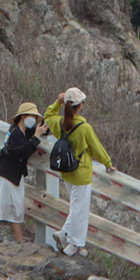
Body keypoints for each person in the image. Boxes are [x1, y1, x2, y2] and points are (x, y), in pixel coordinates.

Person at [43, 86, 113, 257]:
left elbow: (47, 116)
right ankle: (75, 245)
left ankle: (64, 233)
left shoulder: (59, 123)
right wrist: (108, 163)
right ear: (80, 106)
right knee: (80, 209)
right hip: (81, 173)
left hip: (66, 171)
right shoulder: (84, 127)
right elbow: (97, 148)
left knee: (76, 206)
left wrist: (57, 102)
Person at [0, 103, 47, 243]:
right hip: (8, 178)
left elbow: (43, 129)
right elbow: (22, 152)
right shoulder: (15, 133)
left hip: (8, 176)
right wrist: (36, 137)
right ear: (23, 116)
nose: (35, 120)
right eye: (33, 116)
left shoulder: (21, 132)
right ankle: (21, 246)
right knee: (13, 215)